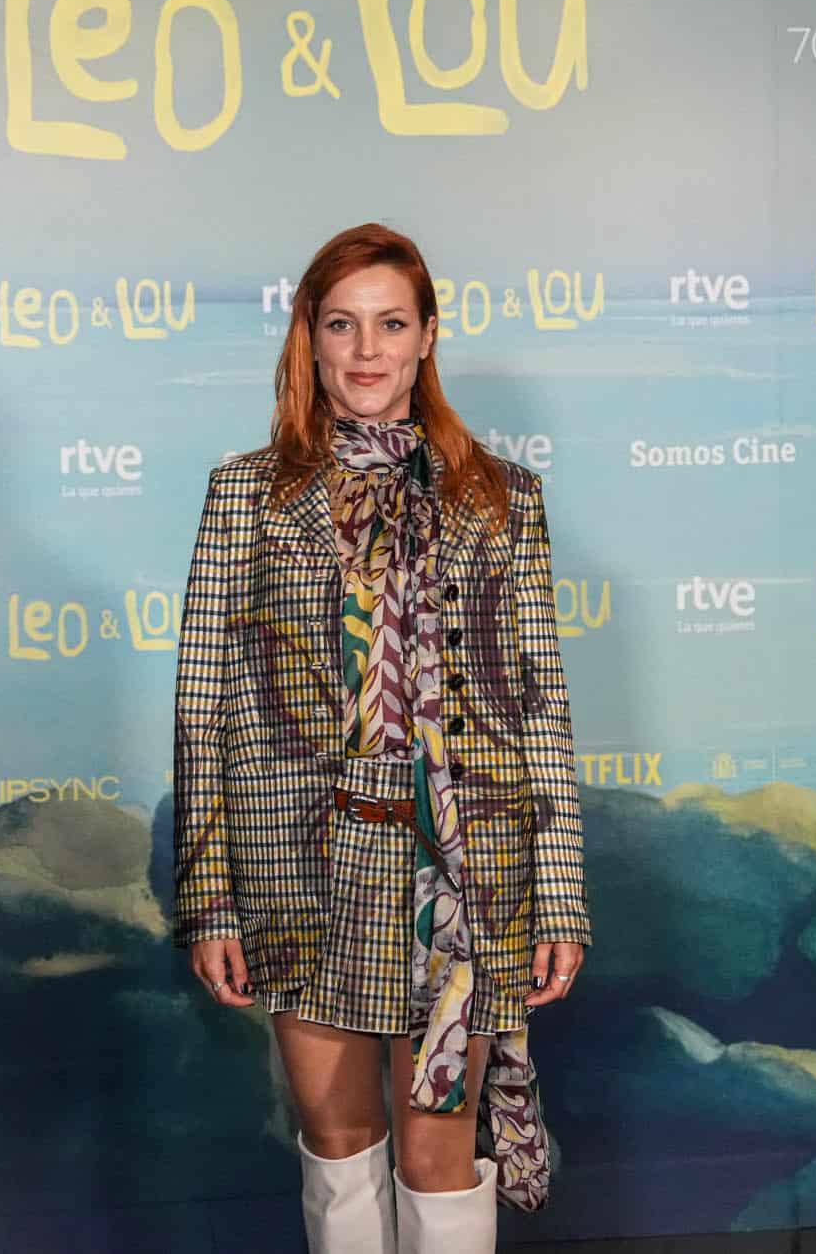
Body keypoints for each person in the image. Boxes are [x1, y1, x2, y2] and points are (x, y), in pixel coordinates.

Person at [171, 222, 591, 1253]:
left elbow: (537, 704)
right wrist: (208, 895)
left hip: (463, 874)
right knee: (338, 1141)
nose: (366, 350)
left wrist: (560, 894)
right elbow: (203, 705)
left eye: (390, 324)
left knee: (438, 1158)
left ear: (427, 336)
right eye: (342, 324)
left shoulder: (501, 499)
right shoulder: (245, 496)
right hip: (300, 867)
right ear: (309, 338)